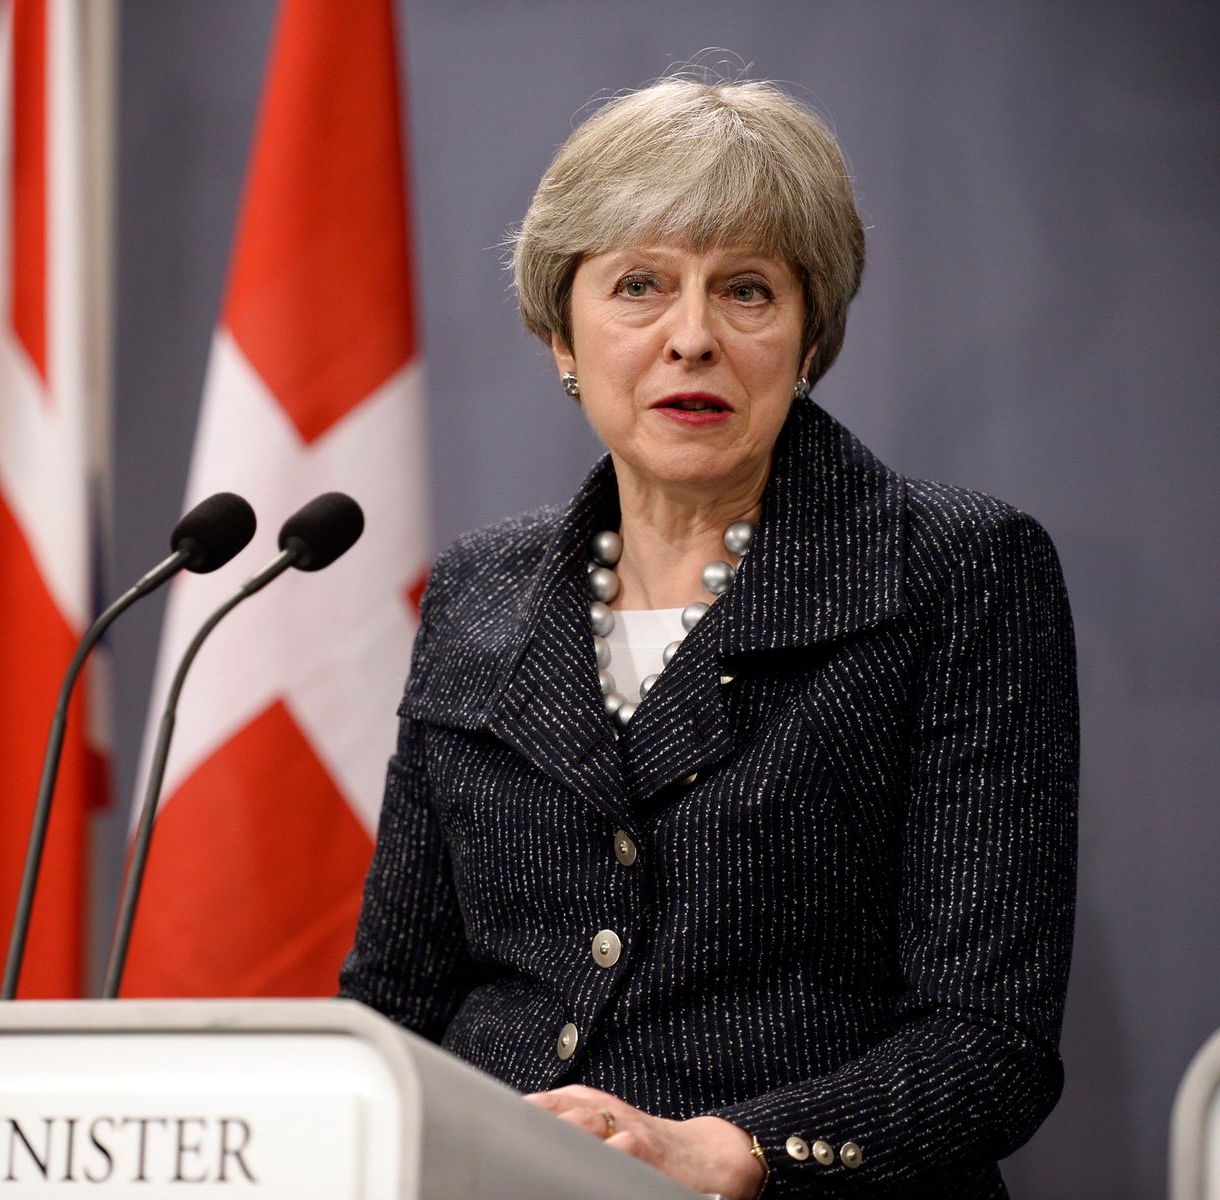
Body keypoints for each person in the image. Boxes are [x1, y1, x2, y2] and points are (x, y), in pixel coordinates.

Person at [339, 76, 1077, 1198]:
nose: (691, 337)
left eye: (744, 290)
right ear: (559, 334)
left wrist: (726, 1150)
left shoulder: (952, 572)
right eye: (639, 286)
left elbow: (987, 1043)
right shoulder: (480, 591)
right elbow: (392, 1002)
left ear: (808, 336)